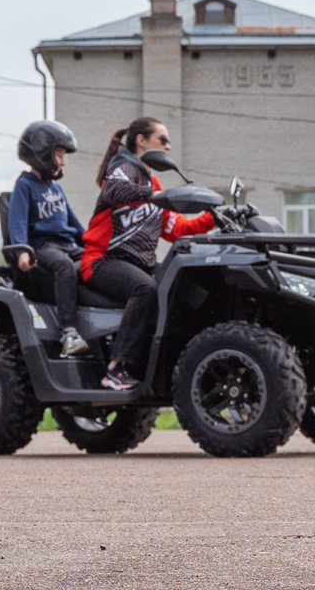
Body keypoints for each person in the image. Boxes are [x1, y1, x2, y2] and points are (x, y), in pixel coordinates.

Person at [79, 116, 216, 394]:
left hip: (138, 263)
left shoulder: (152, 183)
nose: (168, 146)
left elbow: (177, 229)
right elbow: (116, 191)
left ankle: (167, 365)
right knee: (146, 288)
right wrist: (156, 195)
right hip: (102, 261)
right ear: (142, 141)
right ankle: (116, 368)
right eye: (162, 139)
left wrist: (214, 218)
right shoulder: (121, 167)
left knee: (181, 284)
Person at [8, 120, 89, 358]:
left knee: (97, 261)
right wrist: (22, 251)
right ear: (42, 153)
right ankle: (69, 332)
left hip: (68, 246)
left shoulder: (56, 189)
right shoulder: (24, 186)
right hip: (42, 247)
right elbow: (18, 221)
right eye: (59, 155)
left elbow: (75, 225)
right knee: (64, 266)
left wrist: (99, 246)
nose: (63, 162)